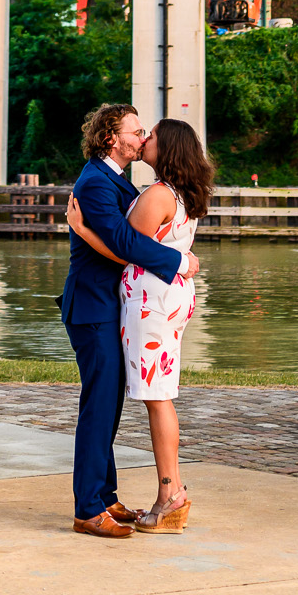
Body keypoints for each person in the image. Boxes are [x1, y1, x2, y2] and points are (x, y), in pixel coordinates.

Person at [67, 116, 213, 534]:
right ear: (111, 138)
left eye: (149, 134)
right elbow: (127, 244)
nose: (143, 137)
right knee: (103, 407)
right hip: (98, 305)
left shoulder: (139, 188)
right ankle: (92, 507)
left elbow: (130, 245)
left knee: (120, 404)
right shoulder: (99, 182)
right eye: (137, 131)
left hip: (144, 303)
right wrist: (180, 261)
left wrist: (81, 230)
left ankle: (110, 497)